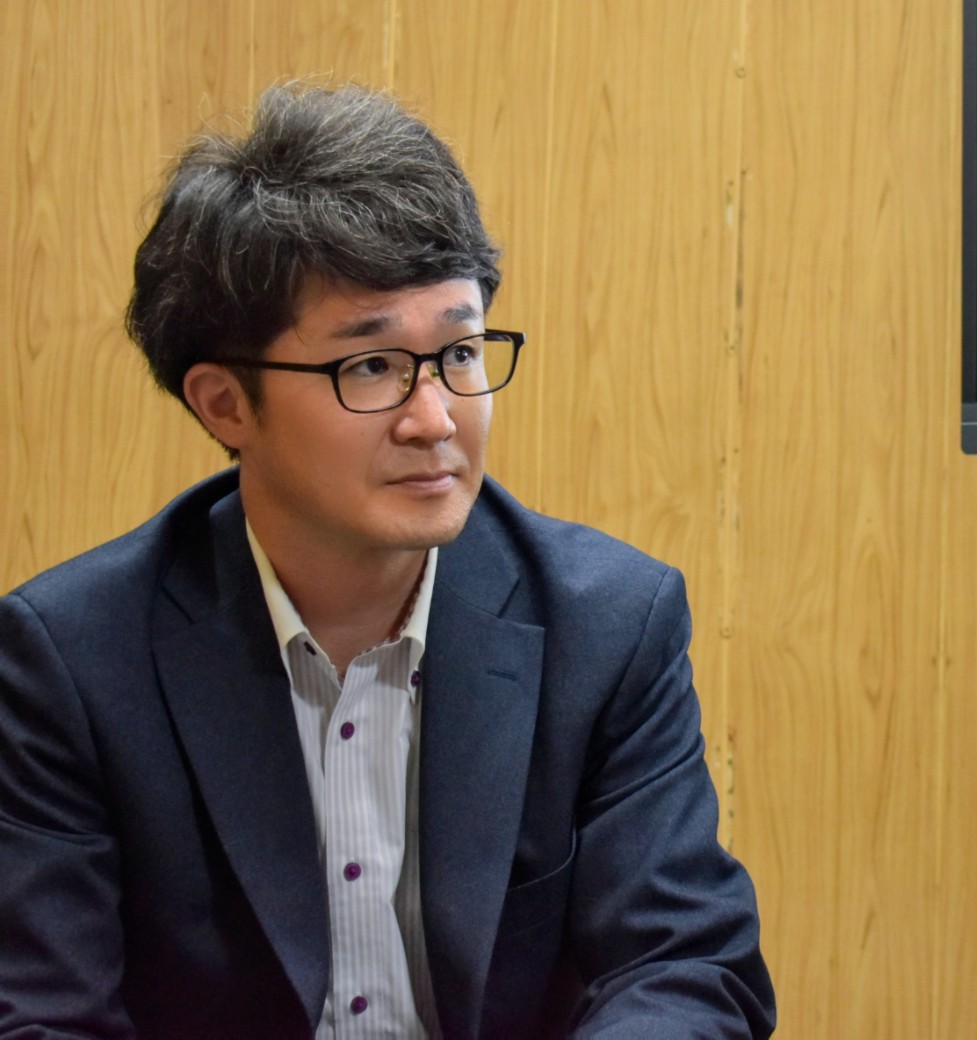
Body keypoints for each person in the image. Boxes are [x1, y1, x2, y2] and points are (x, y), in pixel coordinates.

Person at [0, 84, 775, 1039]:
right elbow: (42, 1014)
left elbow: (684, 964)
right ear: (225, 404)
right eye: (370, 366)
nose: (435, 418)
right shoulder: (73, 661)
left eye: (460, 352)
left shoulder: (606, 624)